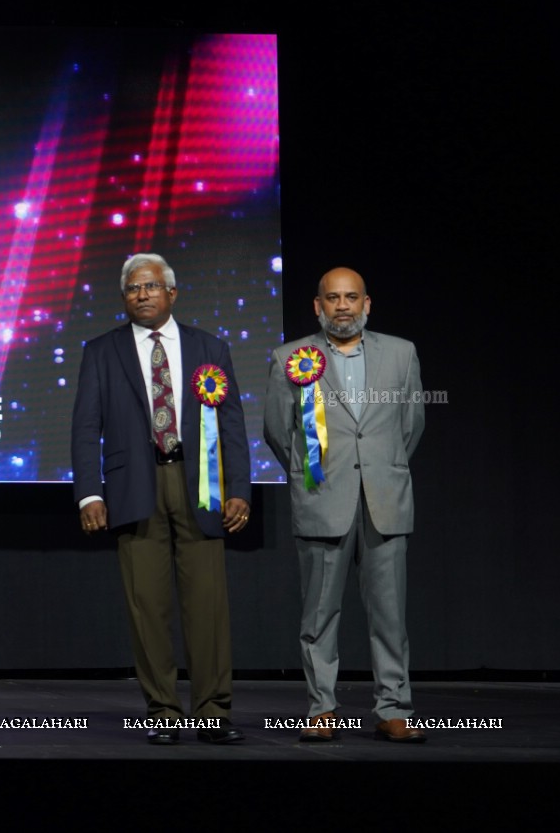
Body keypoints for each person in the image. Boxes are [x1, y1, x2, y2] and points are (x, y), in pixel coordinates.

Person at [71, 252, 251, 745]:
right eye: (133, 288)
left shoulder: (209, 346)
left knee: (208, 605)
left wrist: (239, 489)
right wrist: (90, 493)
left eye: (151, 286)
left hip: (200, 488)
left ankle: (213, 711)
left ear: (172, 292)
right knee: (147, 606)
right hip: (134, 487)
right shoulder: (101, 351)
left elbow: (231, 423)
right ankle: (164, 711)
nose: (142, 295)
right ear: (124, 297)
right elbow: (86, 428)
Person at [264, 267, 426, 743]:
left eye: (351, 297)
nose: (342, 306)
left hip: (385, 501)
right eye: (332, 298)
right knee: (319, 616)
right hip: (322, 500)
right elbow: (279, 431)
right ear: (317, 306)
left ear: (367, 303)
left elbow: (411, 425)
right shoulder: (289, 357)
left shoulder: (401, 353)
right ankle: (322, 708)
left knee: (390, 615)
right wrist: (315, 473)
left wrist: (381, 466)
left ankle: (394, 708)